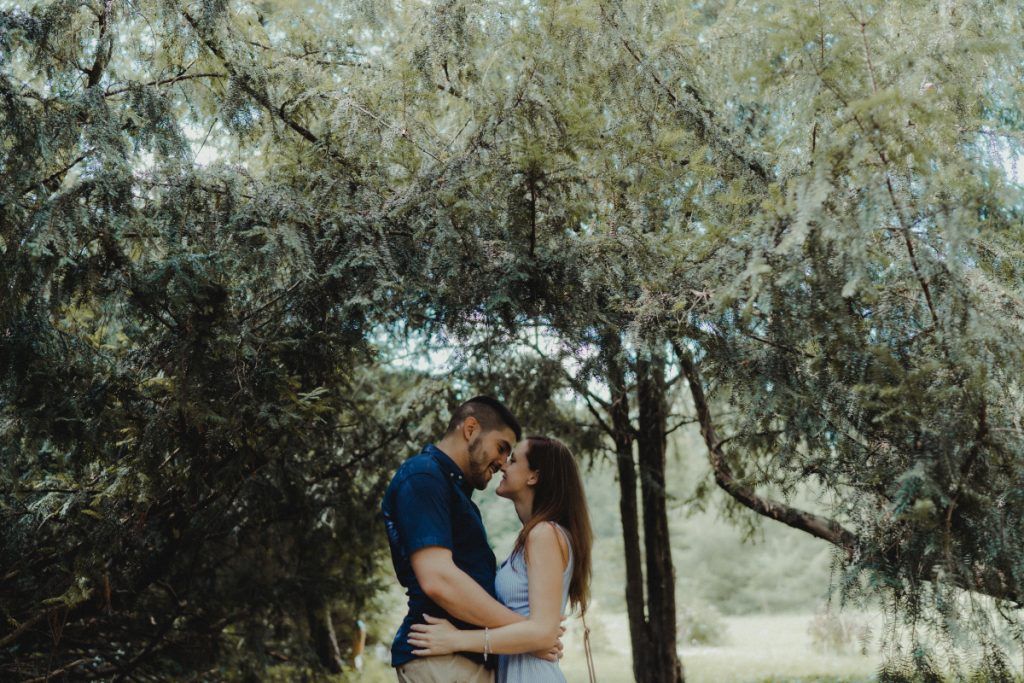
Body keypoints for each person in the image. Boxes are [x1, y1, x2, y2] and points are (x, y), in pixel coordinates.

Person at [381, 396, 561, 683]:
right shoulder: (423, 476)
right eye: (501, 448)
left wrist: (531, 634)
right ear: (470, 429)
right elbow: (439, 579)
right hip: (442, 659)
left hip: (461, 660)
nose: (503, 462)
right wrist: (531, 633)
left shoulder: (455, 493)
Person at [407, 435, 593, 683]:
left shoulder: (544, 534)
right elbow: (540, 632)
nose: (503, 465)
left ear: (533, 476)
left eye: (513, 460)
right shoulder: (533, 537)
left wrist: (456, 639)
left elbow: (543, 633)